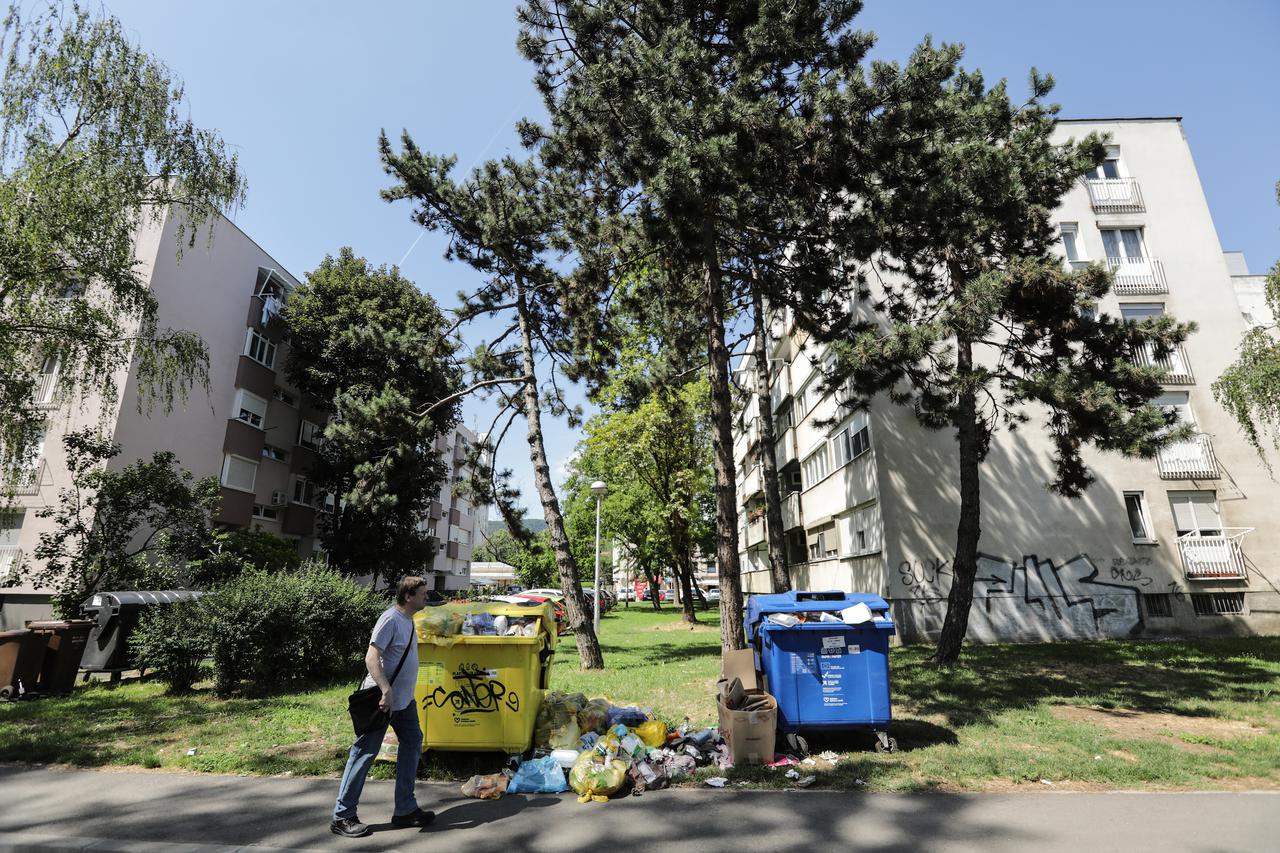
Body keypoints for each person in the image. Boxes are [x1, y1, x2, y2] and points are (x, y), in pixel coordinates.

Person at [331, 576, 435, 838]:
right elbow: (371, 657)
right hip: (383, 701)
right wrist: (386, 690)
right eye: (423, 593)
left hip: (403, 703)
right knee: (364, 753)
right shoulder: (390, 619)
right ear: (408, 596)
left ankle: (405, 810)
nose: (427, 597)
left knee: (413, 744)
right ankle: (342, 816)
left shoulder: (408, 621)